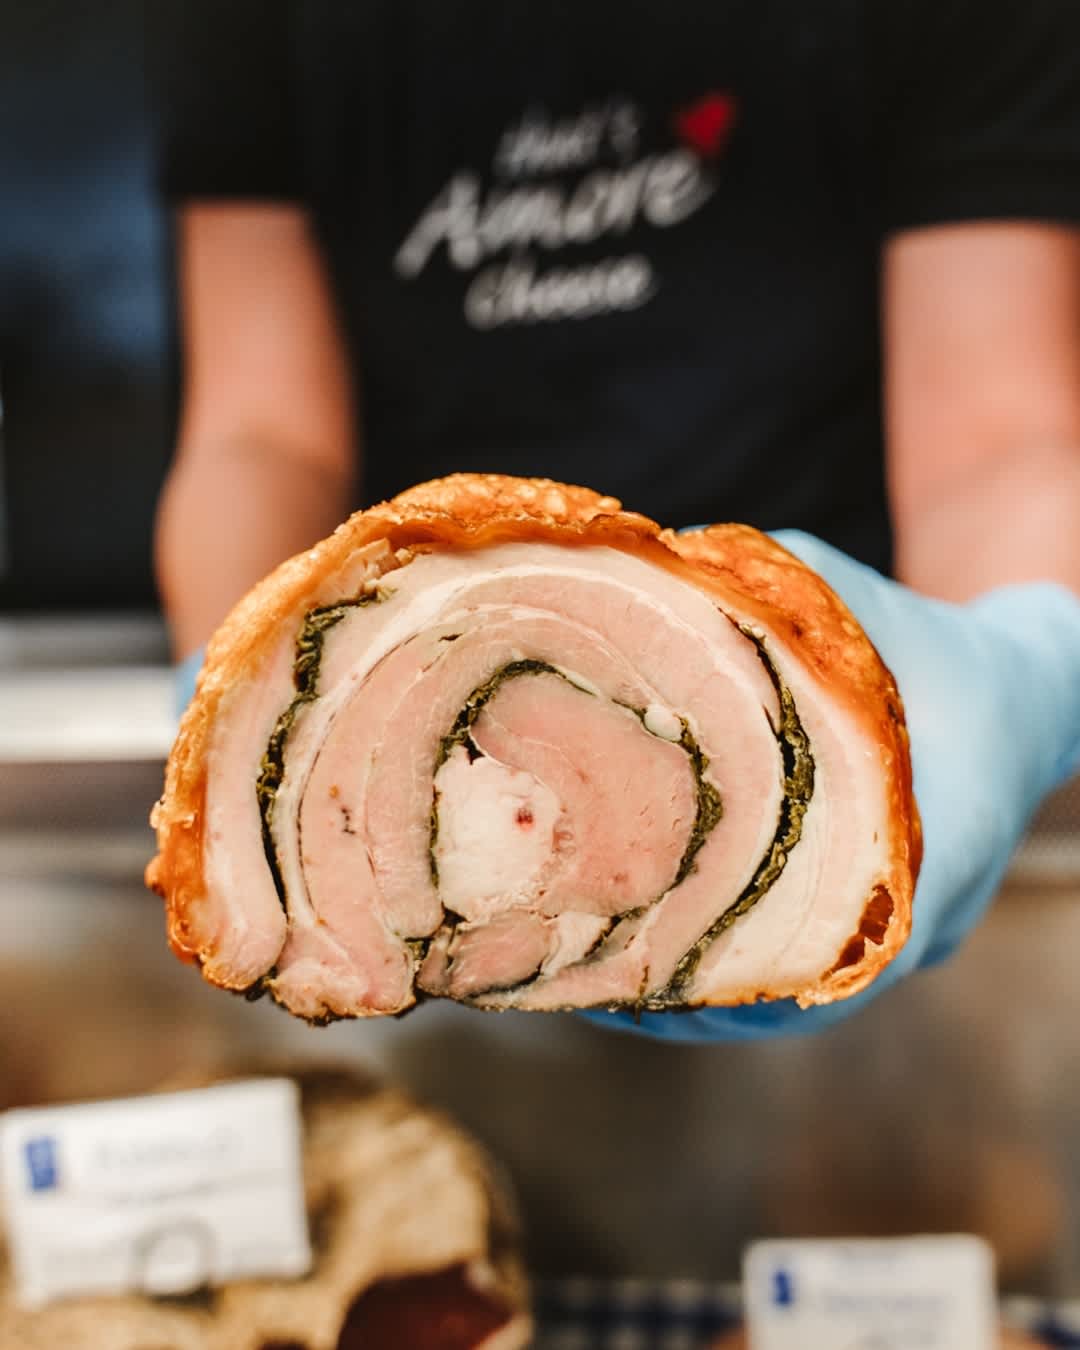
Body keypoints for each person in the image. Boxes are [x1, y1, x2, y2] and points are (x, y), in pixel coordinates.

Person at [150, 0, 1080, 1040]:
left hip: (837, 698)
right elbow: (262, 436)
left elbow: (996, 445)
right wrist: (248, 716)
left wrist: (1008, 662)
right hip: (398, 723)